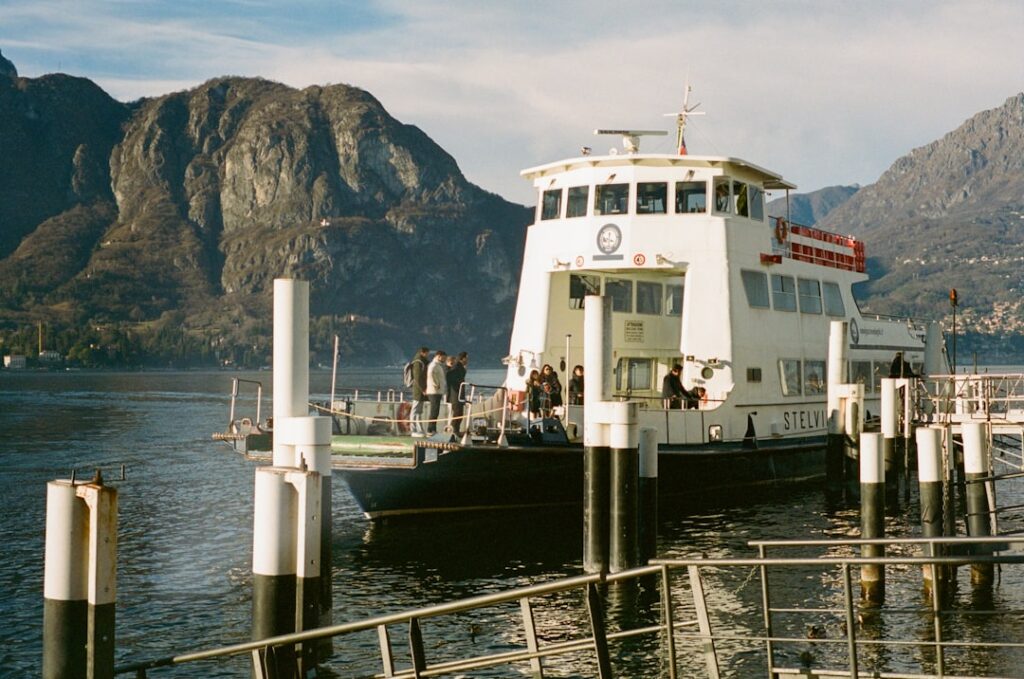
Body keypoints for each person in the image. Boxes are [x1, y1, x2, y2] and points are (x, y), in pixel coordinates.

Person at [408, 346, 429, 436]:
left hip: (421, 389)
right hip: (418, 390)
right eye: (427, 353)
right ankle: (413, 429)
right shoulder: (418, 362)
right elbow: (417, 378)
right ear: (423, 352)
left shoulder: (423, 361)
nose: (428, 355)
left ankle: (419, 428)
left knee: (419, 411)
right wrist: (423, 389)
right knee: (415, 409)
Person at [446, 352, 468, 435]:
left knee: (460, 414)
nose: (467, 360)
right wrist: (458, 385)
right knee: (457, 413)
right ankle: (453, 430)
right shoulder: (456, 366)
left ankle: (456, 430)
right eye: (466, 358)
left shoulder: (460, 367)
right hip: (455, 394)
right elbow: (449, 376)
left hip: (459, 393)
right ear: (463, 358)